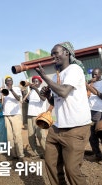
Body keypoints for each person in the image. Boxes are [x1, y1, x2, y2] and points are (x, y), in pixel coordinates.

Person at [36, 42, 92, 185]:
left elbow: (63, 91)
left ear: (67, 53)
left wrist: (44, 77)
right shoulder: (57, 76)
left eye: (56, 53)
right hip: (58, 126)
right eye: (52, 54)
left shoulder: (74, 69)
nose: (53, 56)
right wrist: (48, 95)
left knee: (72, 170)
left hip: (76, 127)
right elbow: (57, 100)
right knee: (51, 164)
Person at [23, 76, 47, 157]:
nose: (35, 82)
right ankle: (37, 153)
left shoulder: (42, 90)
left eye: (37, 81)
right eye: (33, 81)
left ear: (40, 82)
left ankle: (47, 153)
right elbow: (25, 101)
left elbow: (43, 98)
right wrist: (25, 91)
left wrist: (35, 89)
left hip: (39, 116)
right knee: (31, 136)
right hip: (30, 115)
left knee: (41, 135)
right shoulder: (31, 91)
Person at [2, 75, 24, 161]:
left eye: (10, 80)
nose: (9, 82)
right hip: (6, 115)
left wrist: (11, 90)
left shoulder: (17, 89)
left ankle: (21, 154)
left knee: (17, 135)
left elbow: (18, 98)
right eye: (7, 81)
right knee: (9, 136)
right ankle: (14, 154)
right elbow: (2, 101)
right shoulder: (3, 91)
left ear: (12, 82)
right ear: (5, 83)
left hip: (16, 115)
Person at [88, 67, 102, 161]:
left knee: (100, 133)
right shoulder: (89, 84)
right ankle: (97, 155)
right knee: (91, 136)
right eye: (93, 74)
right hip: (88, 111)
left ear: (100, 74)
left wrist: (91, 87)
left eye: (96, 74)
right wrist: (89, 85)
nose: (94, 76)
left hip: (99, 112)